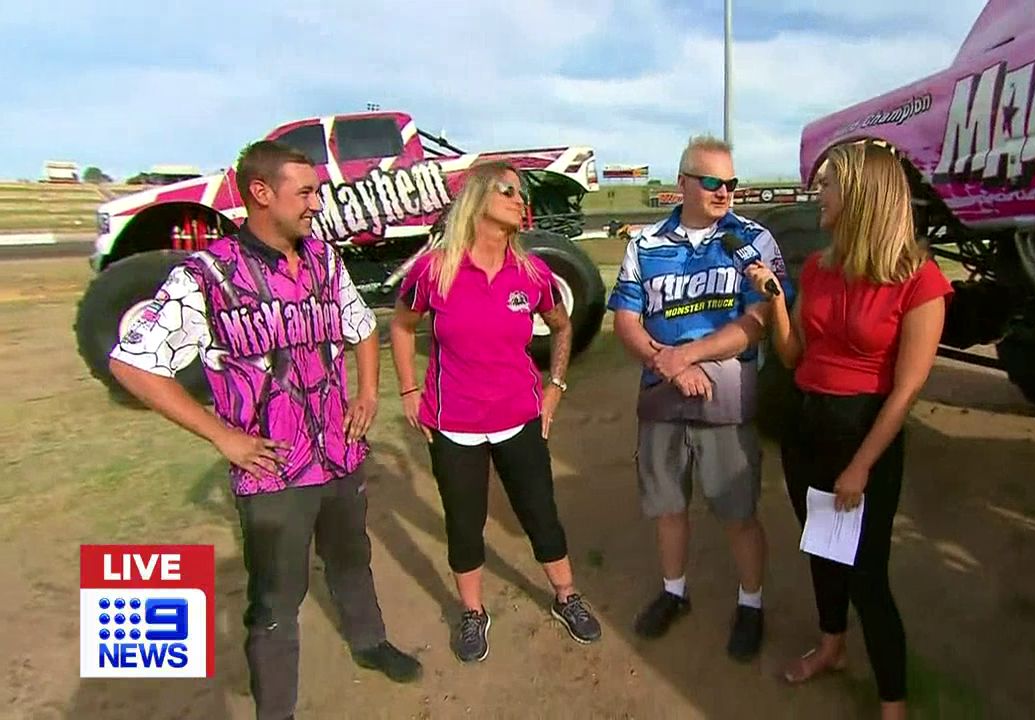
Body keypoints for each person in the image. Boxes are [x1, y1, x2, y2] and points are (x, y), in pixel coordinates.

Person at [108, 140, 422, 720]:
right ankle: (276, 710)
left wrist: (367, 394)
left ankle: (370, 641)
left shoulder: (324, 259)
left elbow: (361, 327)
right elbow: (131, 364)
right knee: (275, 600)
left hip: (340, 455)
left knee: (351, 558)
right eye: (305, 193)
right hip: (272, 472)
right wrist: (221, 435)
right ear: (261, 193)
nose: (316, 204)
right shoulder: (207, 276)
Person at [742, 140, 952, 719]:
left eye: (829, 185)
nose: (819, 195)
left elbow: (906, 389)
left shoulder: (920, 279)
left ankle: (893, 705)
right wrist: (777, 302)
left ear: (862, 194)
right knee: (823, 553)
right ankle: (831, 646)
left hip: (863, 436)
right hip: (806, 426)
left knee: (867, 577)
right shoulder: (819, 267)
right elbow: (793, 356)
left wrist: (860, 466)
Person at [388, 160, 602, 664]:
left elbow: (562, 326)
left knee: (540, 513)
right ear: (478, 197)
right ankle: (472, 612)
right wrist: (408, 390)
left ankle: (566, 596)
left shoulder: (532, 272)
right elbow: (401, 325)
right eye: (508, 190)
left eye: (520, 192)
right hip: (453, 423)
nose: (518, 198)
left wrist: (555, 387)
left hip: (519, 416)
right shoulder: (434, 269)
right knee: (465, 523)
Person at [607, 134, 793, 662]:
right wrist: (663, 361)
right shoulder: (644, 244)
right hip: (661, 396)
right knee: (668, 506)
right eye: (712, 181)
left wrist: (687, 356)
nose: (724, 191)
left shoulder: (752, 240)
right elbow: (626, 319)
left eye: (731, 182)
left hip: (726, 400)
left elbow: (757, 322)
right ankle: (674, 593)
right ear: (682, 183)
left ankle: (751, 603)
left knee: (737, 511)